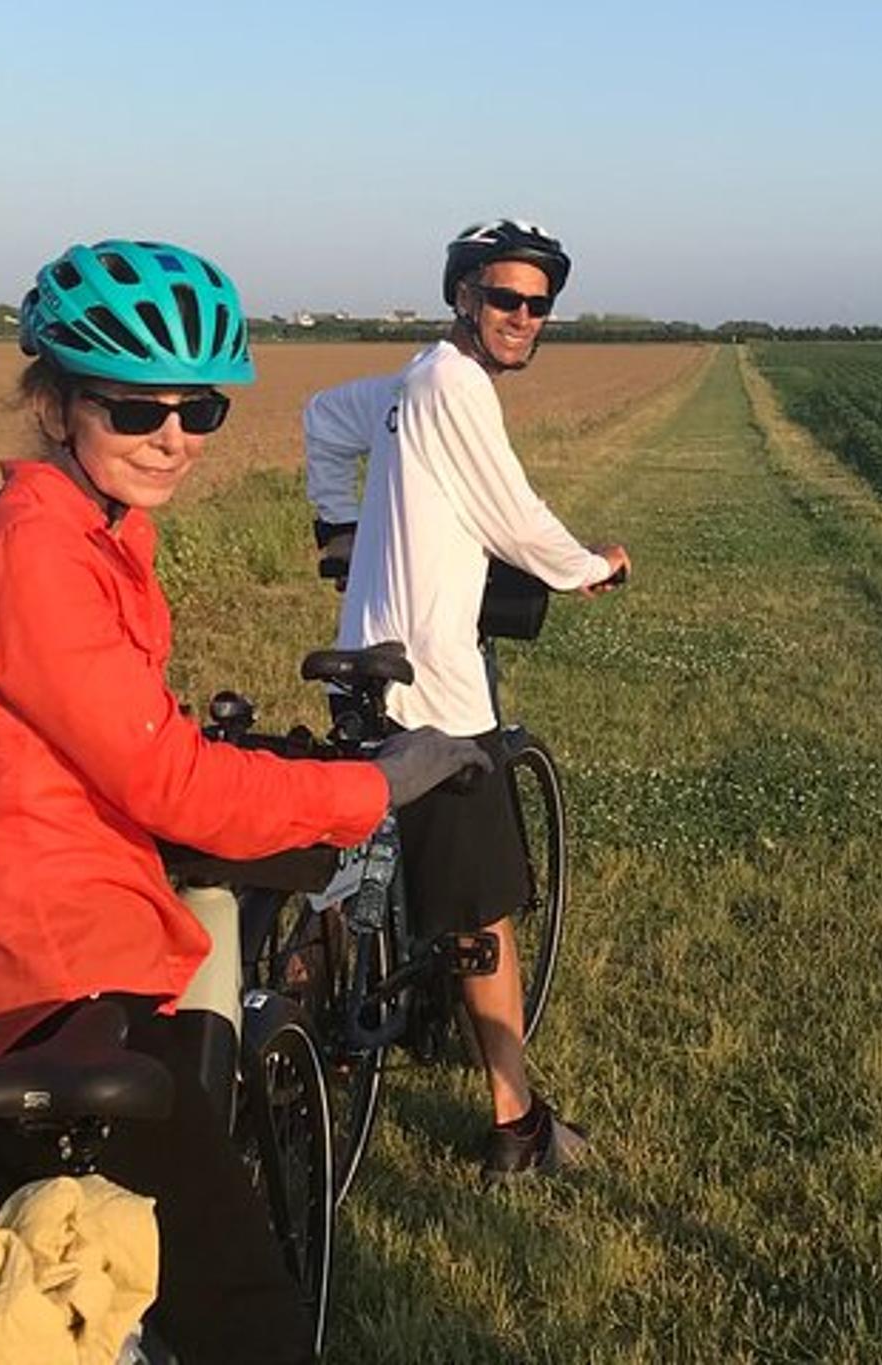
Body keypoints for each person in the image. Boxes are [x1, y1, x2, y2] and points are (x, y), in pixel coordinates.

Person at [0, 239, 482, 1365]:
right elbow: (173, 785)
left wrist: (0, 732)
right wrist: (373, 785)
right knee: (242, 1324)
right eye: (135, 408)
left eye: (201, 408)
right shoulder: (39, 549)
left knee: (57, 1297)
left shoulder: (61, 524)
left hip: (23, 946)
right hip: (52, 970)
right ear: (54, 404)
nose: (173, 438)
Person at [304, 219, 628, 1181]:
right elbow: (510, 510)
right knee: (485, 911)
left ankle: (300, 1022)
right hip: (437, 687)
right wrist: (587, 567)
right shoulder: (456, 385)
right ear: (463, 297)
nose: (523, 317)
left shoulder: (407, 383)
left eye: (538, 304)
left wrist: (338, 525)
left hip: (368, 658)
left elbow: (323, 417)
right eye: (504, 298)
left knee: (346, 864)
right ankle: (515, 1122)